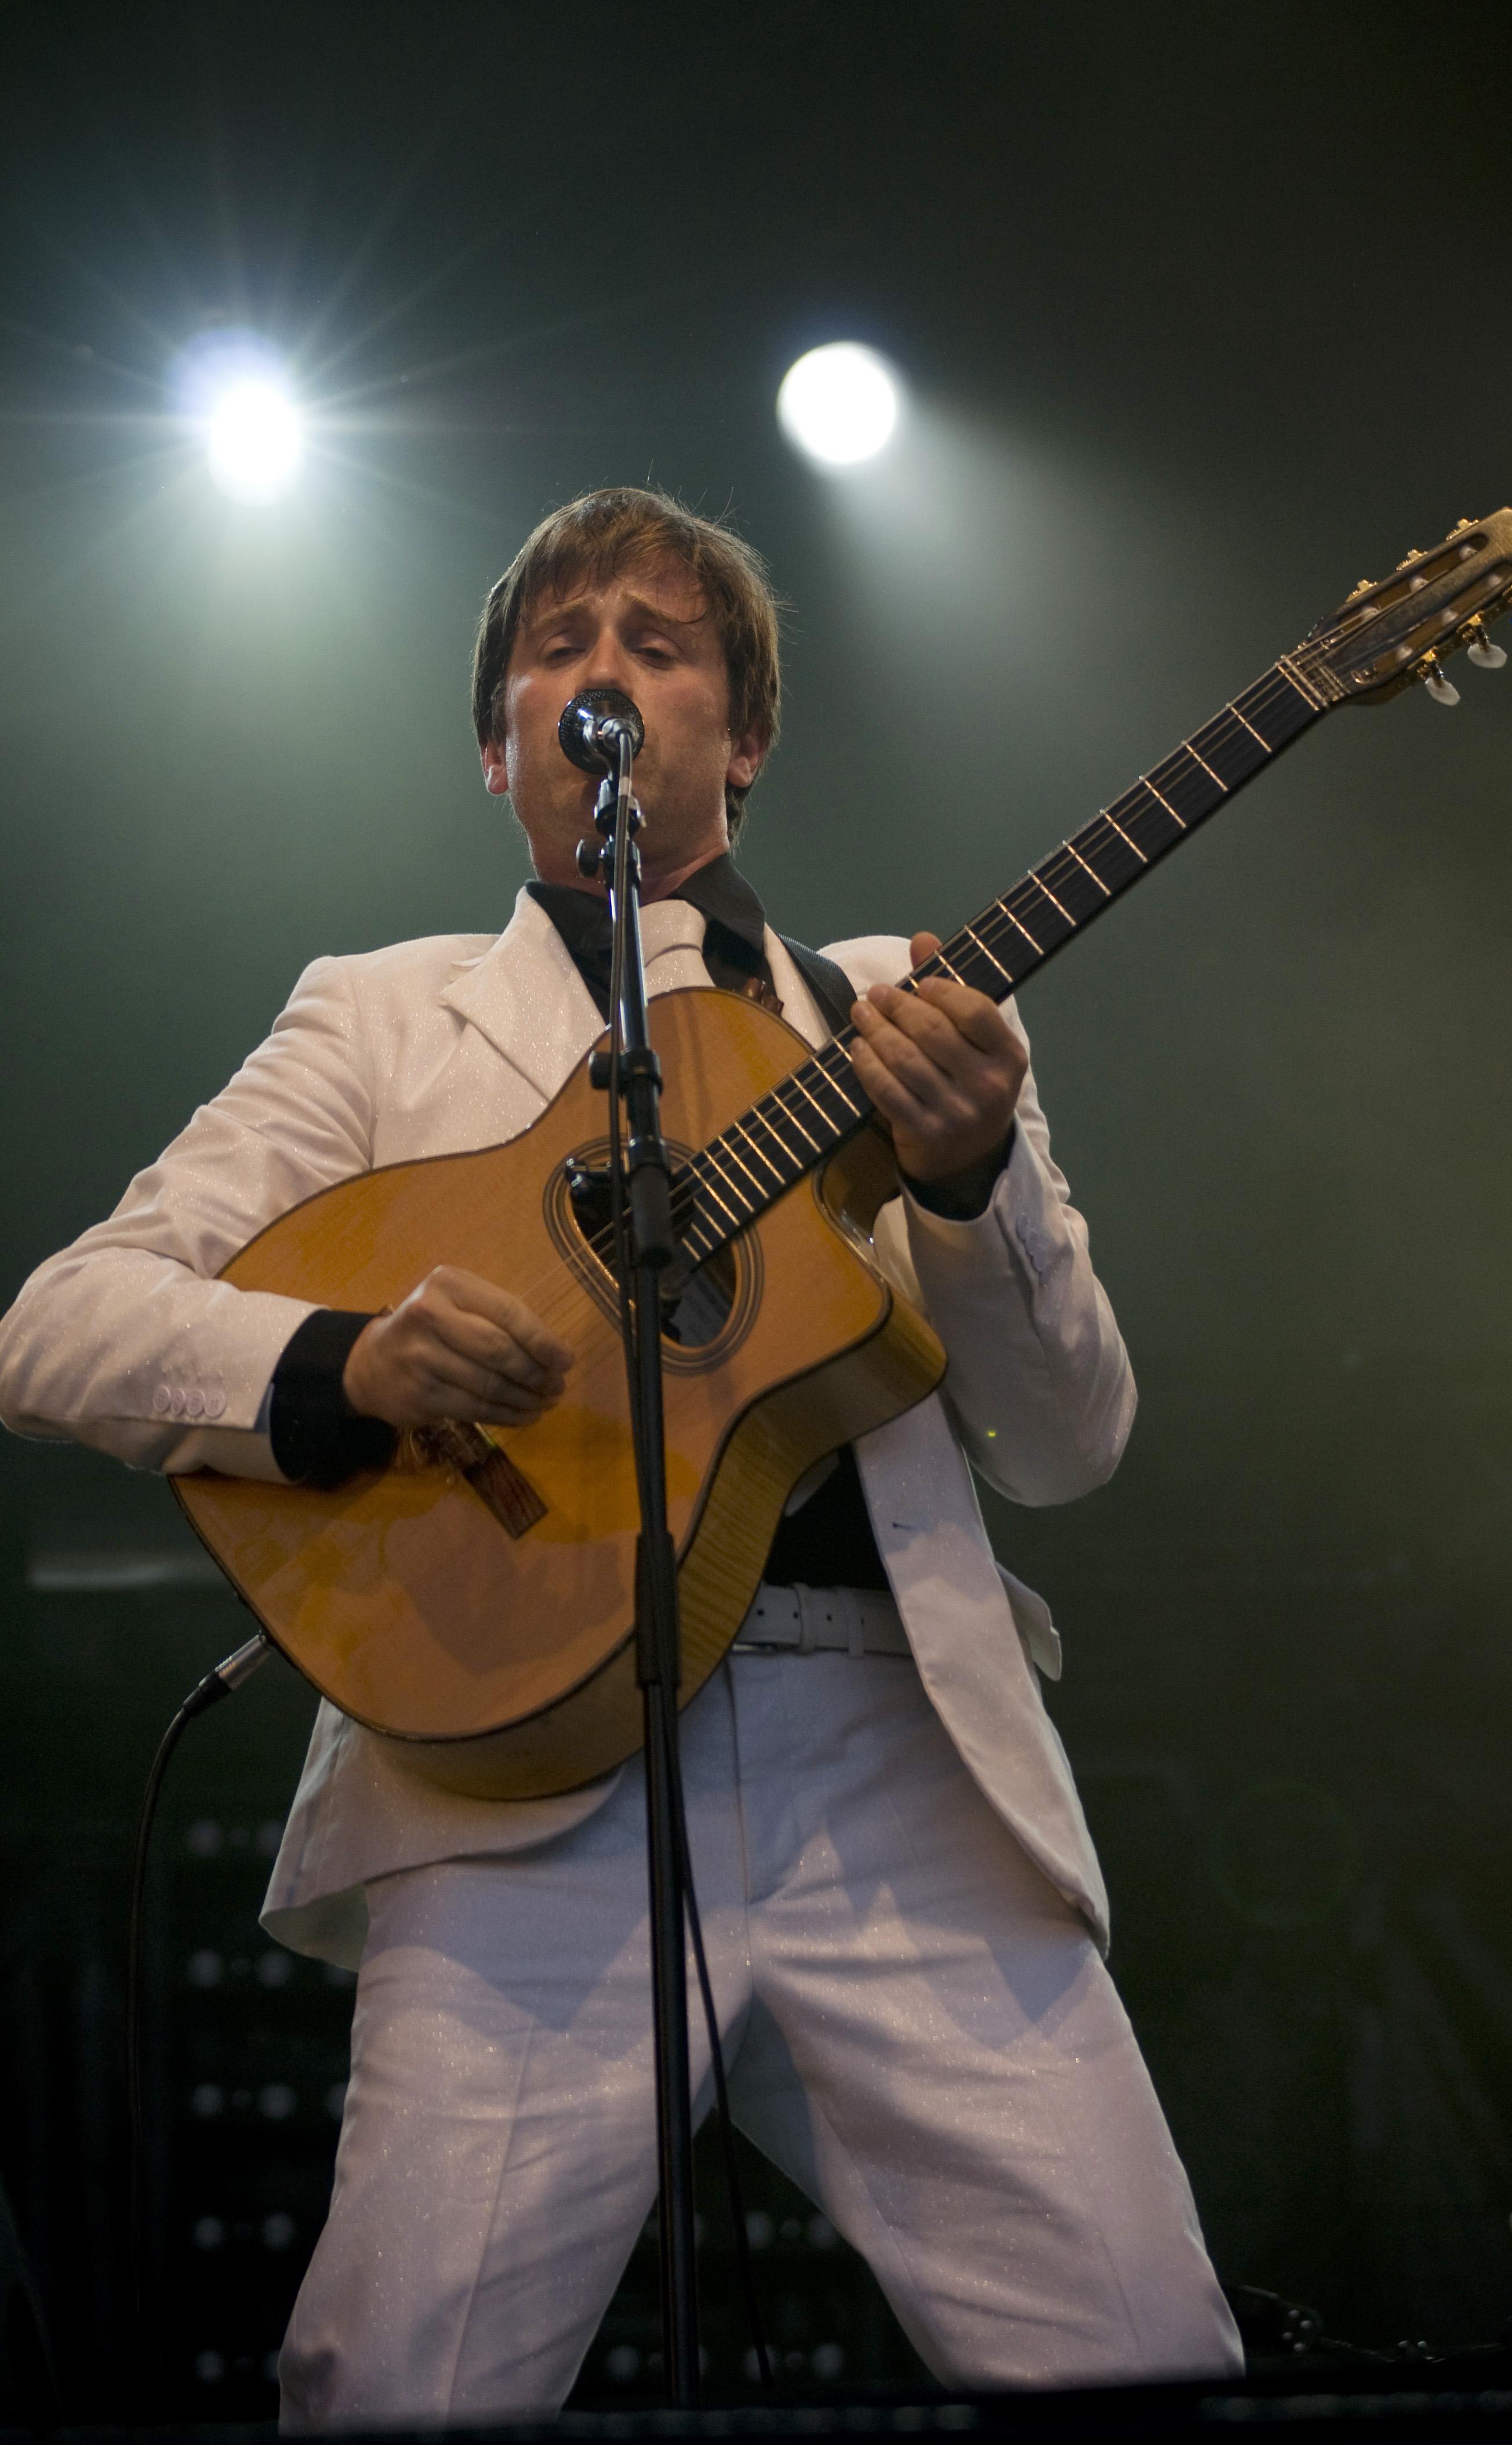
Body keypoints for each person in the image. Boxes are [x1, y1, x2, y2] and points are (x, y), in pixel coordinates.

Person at [0, 488, 1241, 2421]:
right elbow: (59, 1323)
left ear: (745, 739)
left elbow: (1069, 1445)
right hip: (512, 1777)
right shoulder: (376, 1017)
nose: (603, 672)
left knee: (1150, 2360)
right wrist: (352, 1356)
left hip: (890, 1768)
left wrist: (972, 1172)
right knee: (400, 2395)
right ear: (496, 743)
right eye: (557, 647)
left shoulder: (887, 1014)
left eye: (661, 645)